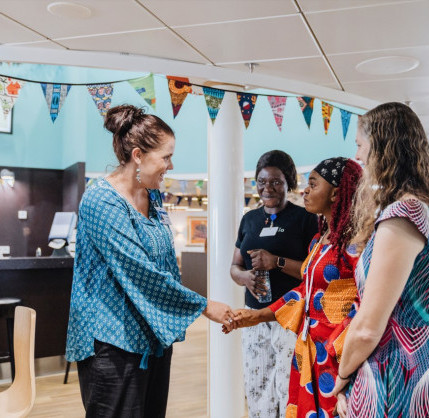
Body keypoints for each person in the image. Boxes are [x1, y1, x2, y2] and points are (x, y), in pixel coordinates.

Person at [65, 104, 234, 417]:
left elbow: (165, 264)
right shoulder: (101, 200)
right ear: (138, 155)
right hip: (112, 343)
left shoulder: (152, 196)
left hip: (151, 339)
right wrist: (204, 306)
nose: (171, 165)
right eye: (166, 157)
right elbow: (141, 272)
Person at [330, 102, 429, 417]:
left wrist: (343, 376)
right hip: (428, 362)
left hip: (396, 375)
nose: (358, 156)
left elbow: (368, 327)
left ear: (383, 148)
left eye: (361, 146)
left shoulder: (404, 213)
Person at [226, 157, 362, 417]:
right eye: (261, 181)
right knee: (265, 391)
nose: (305, 191)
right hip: (306, 339)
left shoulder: (352, 241)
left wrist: (276, 262)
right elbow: (306, 289)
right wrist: (256, 311)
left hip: (330, 344)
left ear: (336, 193)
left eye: (313, 184)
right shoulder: (319, 238)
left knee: (300, 396)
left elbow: (363, 303)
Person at [230, 150, 318, 418]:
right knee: (257, 386)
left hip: (290, 317)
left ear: (288, 182)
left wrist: (276, 262)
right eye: (261, 181)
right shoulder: (249, 219)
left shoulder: (305, 219)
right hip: (254, 317)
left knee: (287, 386)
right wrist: (244, 277)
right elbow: (234, 267)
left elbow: (313, 270)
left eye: (276, 182)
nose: (267, 188)